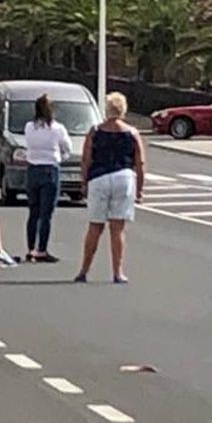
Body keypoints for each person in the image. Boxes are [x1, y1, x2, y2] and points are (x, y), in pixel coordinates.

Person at [75, 92, 145, 284]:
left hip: (99, 178)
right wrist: (139, 189)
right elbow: (140, 163)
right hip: (123, 177)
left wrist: (84, 182)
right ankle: (117, 272)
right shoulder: (131, 133)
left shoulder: (96, 131)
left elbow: (86, 159)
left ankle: (84, 270)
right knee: (117, 228)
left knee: (95, 226)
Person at [23, 94, 72, 263]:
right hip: (50, 169)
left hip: (32, 169)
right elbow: (67, 148)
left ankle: (30, 249)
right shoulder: (57, 129)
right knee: (46, 214)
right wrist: (61, 157)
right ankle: (42, 250)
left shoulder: (29, 127)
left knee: (33, 212)